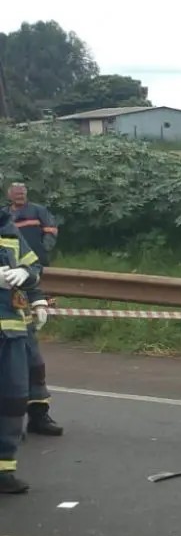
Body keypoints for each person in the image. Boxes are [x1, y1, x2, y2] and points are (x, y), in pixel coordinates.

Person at [8, 183, 61, 437]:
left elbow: (29, 265)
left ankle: (38, 416)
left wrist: (38, 298)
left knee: (33, 365)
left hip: (16, 316)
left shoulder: (7, 226)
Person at [0, 206, 44, 493]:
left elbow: (34, 267)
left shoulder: (8, 229)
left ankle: (4, 469)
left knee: (13, 402)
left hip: (12, 334)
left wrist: (27, 280)